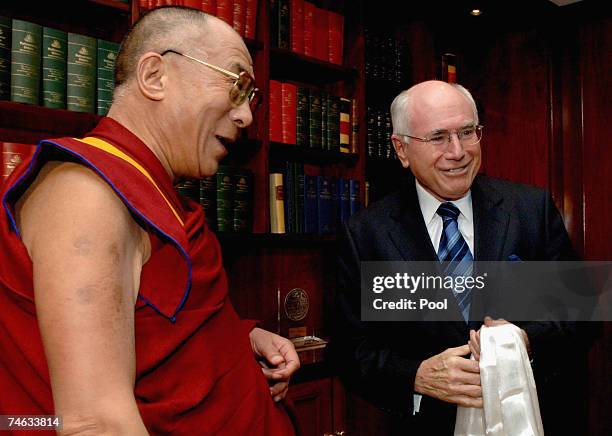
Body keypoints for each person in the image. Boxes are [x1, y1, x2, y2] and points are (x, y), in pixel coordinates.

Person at [0, 7, 299, 435]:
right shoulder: (86, 193)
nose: (245, 117)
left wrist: (241, 338)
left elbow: (151, 320)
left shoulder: (154, 190)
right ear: (155, 76)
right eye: (237, 86)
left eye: (251, 98)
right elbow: (94, 422)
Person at [331, 80, 593, 435]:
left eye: (467, 132)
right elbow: (351, 350)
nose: (458, 151)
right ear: (402, 149)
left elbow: (583, 313)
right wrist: (417, 376)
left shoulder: (530, 209)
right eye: (438, 137)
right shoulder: (366, 234)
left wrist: (524, 341)